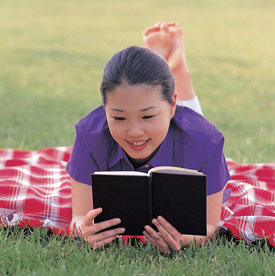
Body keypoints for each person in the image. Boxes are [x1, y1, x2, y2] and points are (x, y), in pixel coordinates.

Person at [66, 22, 230, 254]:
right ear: (104, 109)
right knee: (150, 109)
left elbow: (209, 226)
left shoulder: (207, 142)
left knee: (189, 126)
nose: (134, 132)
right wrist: (85, 230)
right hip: (169, 121)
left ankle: (179, 71)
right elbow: (79, 217)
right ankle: (161, 63)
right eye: (119, 118)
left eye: (147, 116)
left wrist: (184, 239)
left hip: (185, 132)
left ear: (173, 105)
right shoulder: (89, 135)